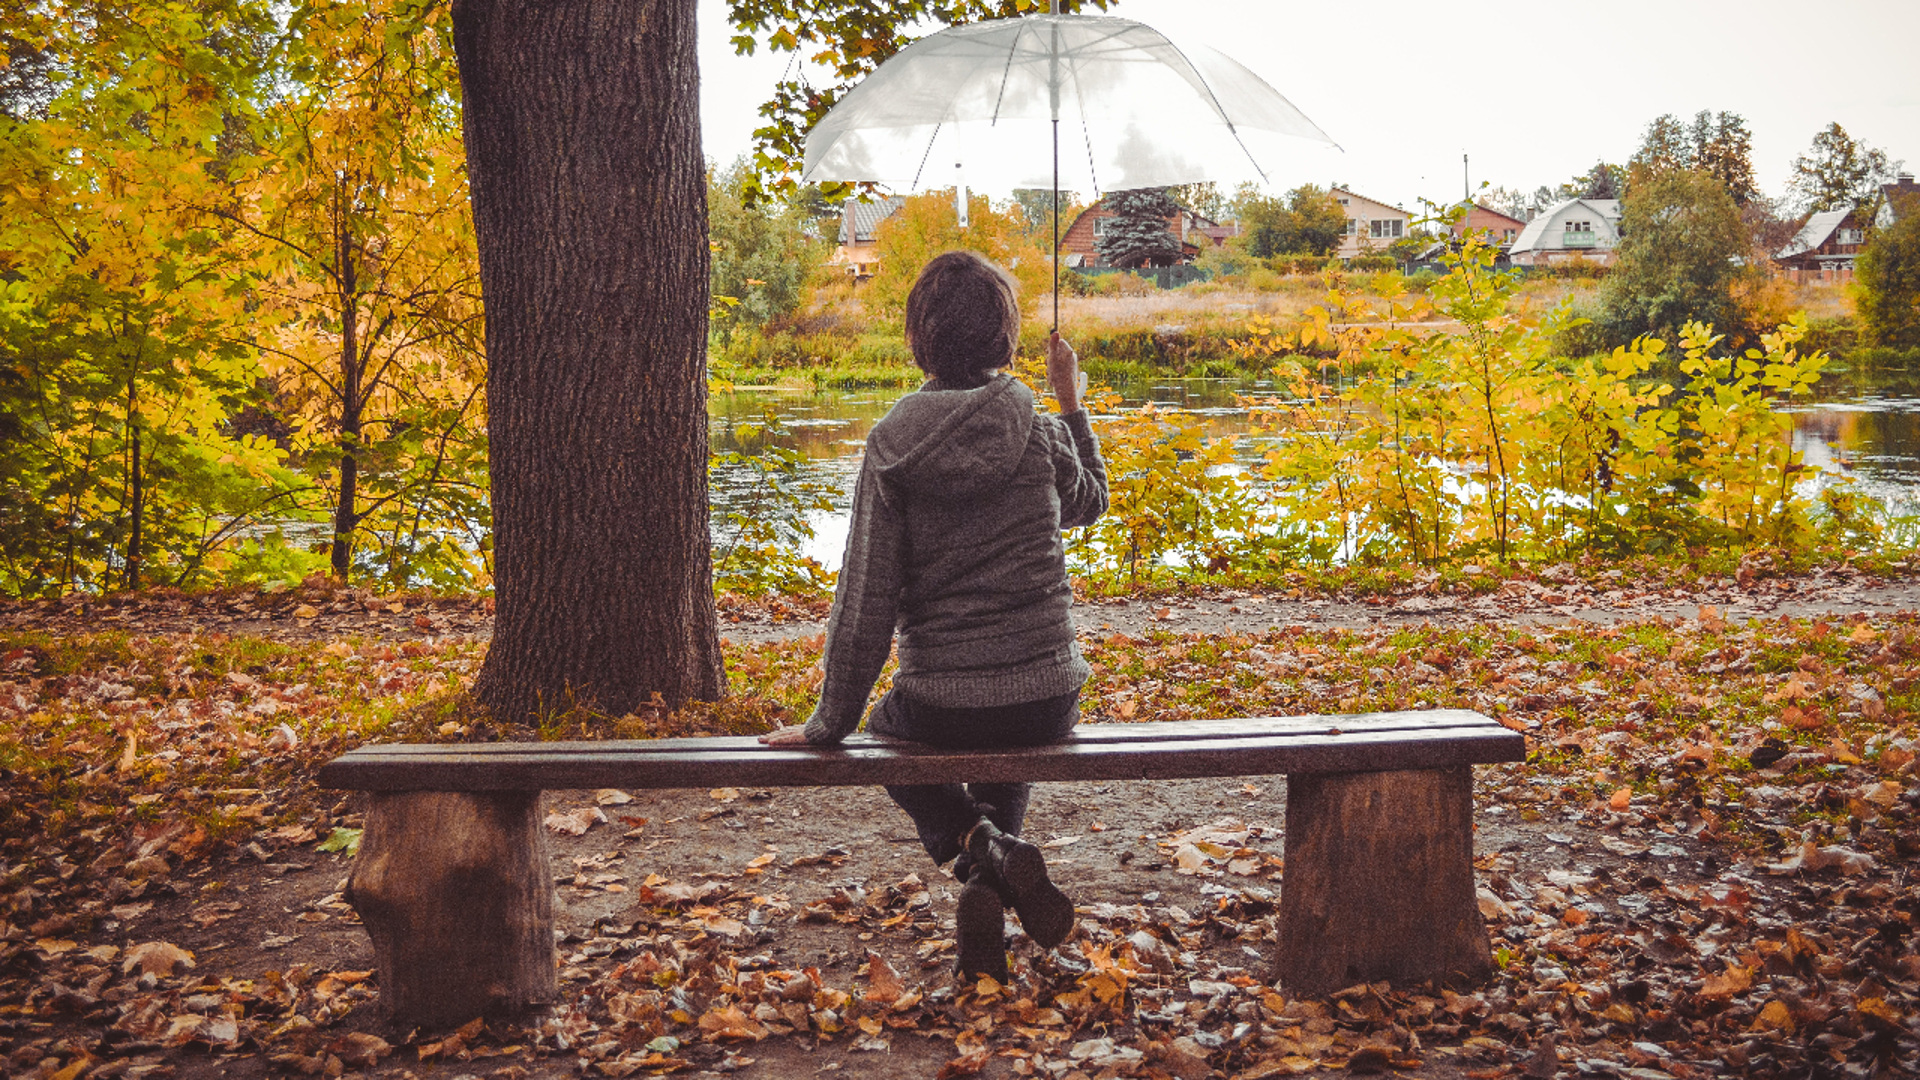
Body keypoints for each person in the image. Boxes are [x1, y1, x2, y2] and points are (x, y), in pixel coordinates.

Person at [758, 249, 1108, 982]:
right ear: (1004, 335)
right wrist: (1070, 403)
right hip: (1050, 698)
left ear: (920, 337)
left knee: (888, 729)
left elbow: (865, 601)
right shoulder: (1037, 425)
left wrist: (831, 724)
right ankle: (993, 873)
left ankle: (976, 844)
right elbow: (1088, 505)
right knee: (1006, 719)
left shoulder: (892, 445)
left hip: (943, 702)